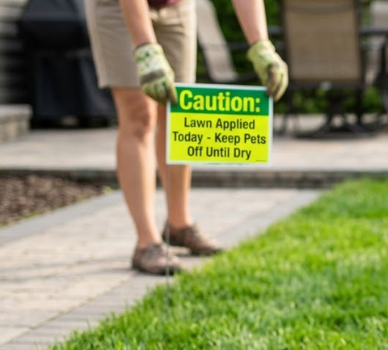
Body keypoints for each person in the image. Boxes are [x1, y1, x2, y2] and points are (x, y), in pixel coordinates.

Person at [85, 0, 287, 274]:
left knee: (178, 110)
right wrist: (145, 48)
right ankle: (147, 242)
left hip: (177, 6)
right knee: (140, 115)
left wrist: (261, 45)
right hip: (119, 8)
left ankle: (179, 225)